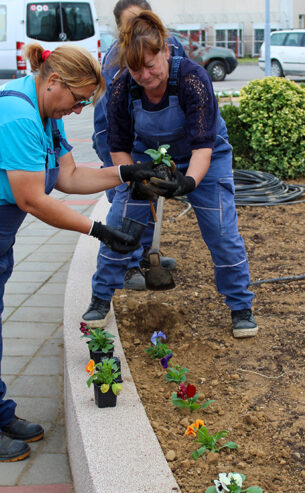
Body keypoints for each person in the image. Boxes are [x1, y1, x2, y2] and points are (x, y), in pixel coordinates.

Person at [0, 44, 162, 462]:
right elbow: (33, 200)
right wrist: (100, 231)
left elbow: (69, 177)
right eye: (77, 100)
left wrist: (127, 173)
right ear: (53, 80)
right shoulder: (17, 117)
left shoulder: (45, 112)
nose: (78, 110)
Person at [82, 11, 259, 339]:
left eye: (151, 66)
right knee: (121, 225)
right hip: (145, 156)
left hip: (205, 156)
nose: (145, 76)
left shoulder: (192, 78)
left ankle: (240, 306)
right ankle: (99, 298)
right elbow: (117, 145)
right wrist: (134, 174)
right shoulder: (123, 87)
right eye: (137, 69)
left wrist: (188, 182)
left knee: (221, 232)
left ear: (165, 50)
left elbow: (204, 146)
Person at [91, 0, 186, 292]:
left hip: (148, 138)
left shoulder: (173, 47)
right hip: (115, 137)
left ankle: (144, 253)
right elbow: (112, 118)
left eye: (141, 20)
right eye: (128, 24)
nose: (136, 29)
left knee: (148, 194)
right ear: (119, 29)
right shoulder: (114, 59)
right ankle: (126, 265)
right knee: (126, 200)